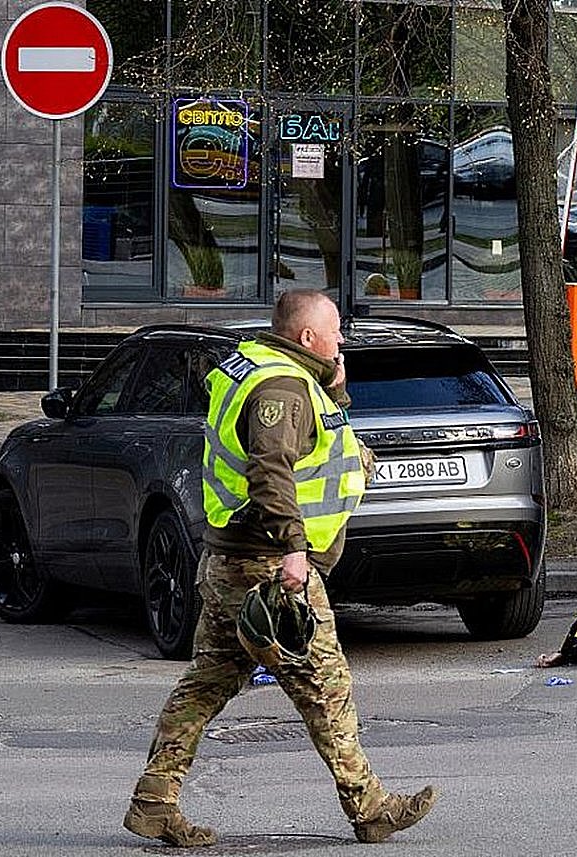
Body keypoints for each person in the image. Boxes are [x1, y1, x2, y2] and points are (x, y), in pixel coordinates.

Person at [124, 289, 437, 847]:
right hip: (268, 564)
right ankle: (370, 808)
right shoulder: (282, 387)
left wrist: (335, 390)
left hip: (228, 561)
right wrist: (294, 546)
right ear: (307, 337)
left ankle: (154, 800)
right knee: (326, 685)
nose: (342, 340)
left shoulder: (264, 369)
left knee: (205, 685)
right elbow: (271, 468)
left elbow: (320, 444)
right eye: (335, 330)